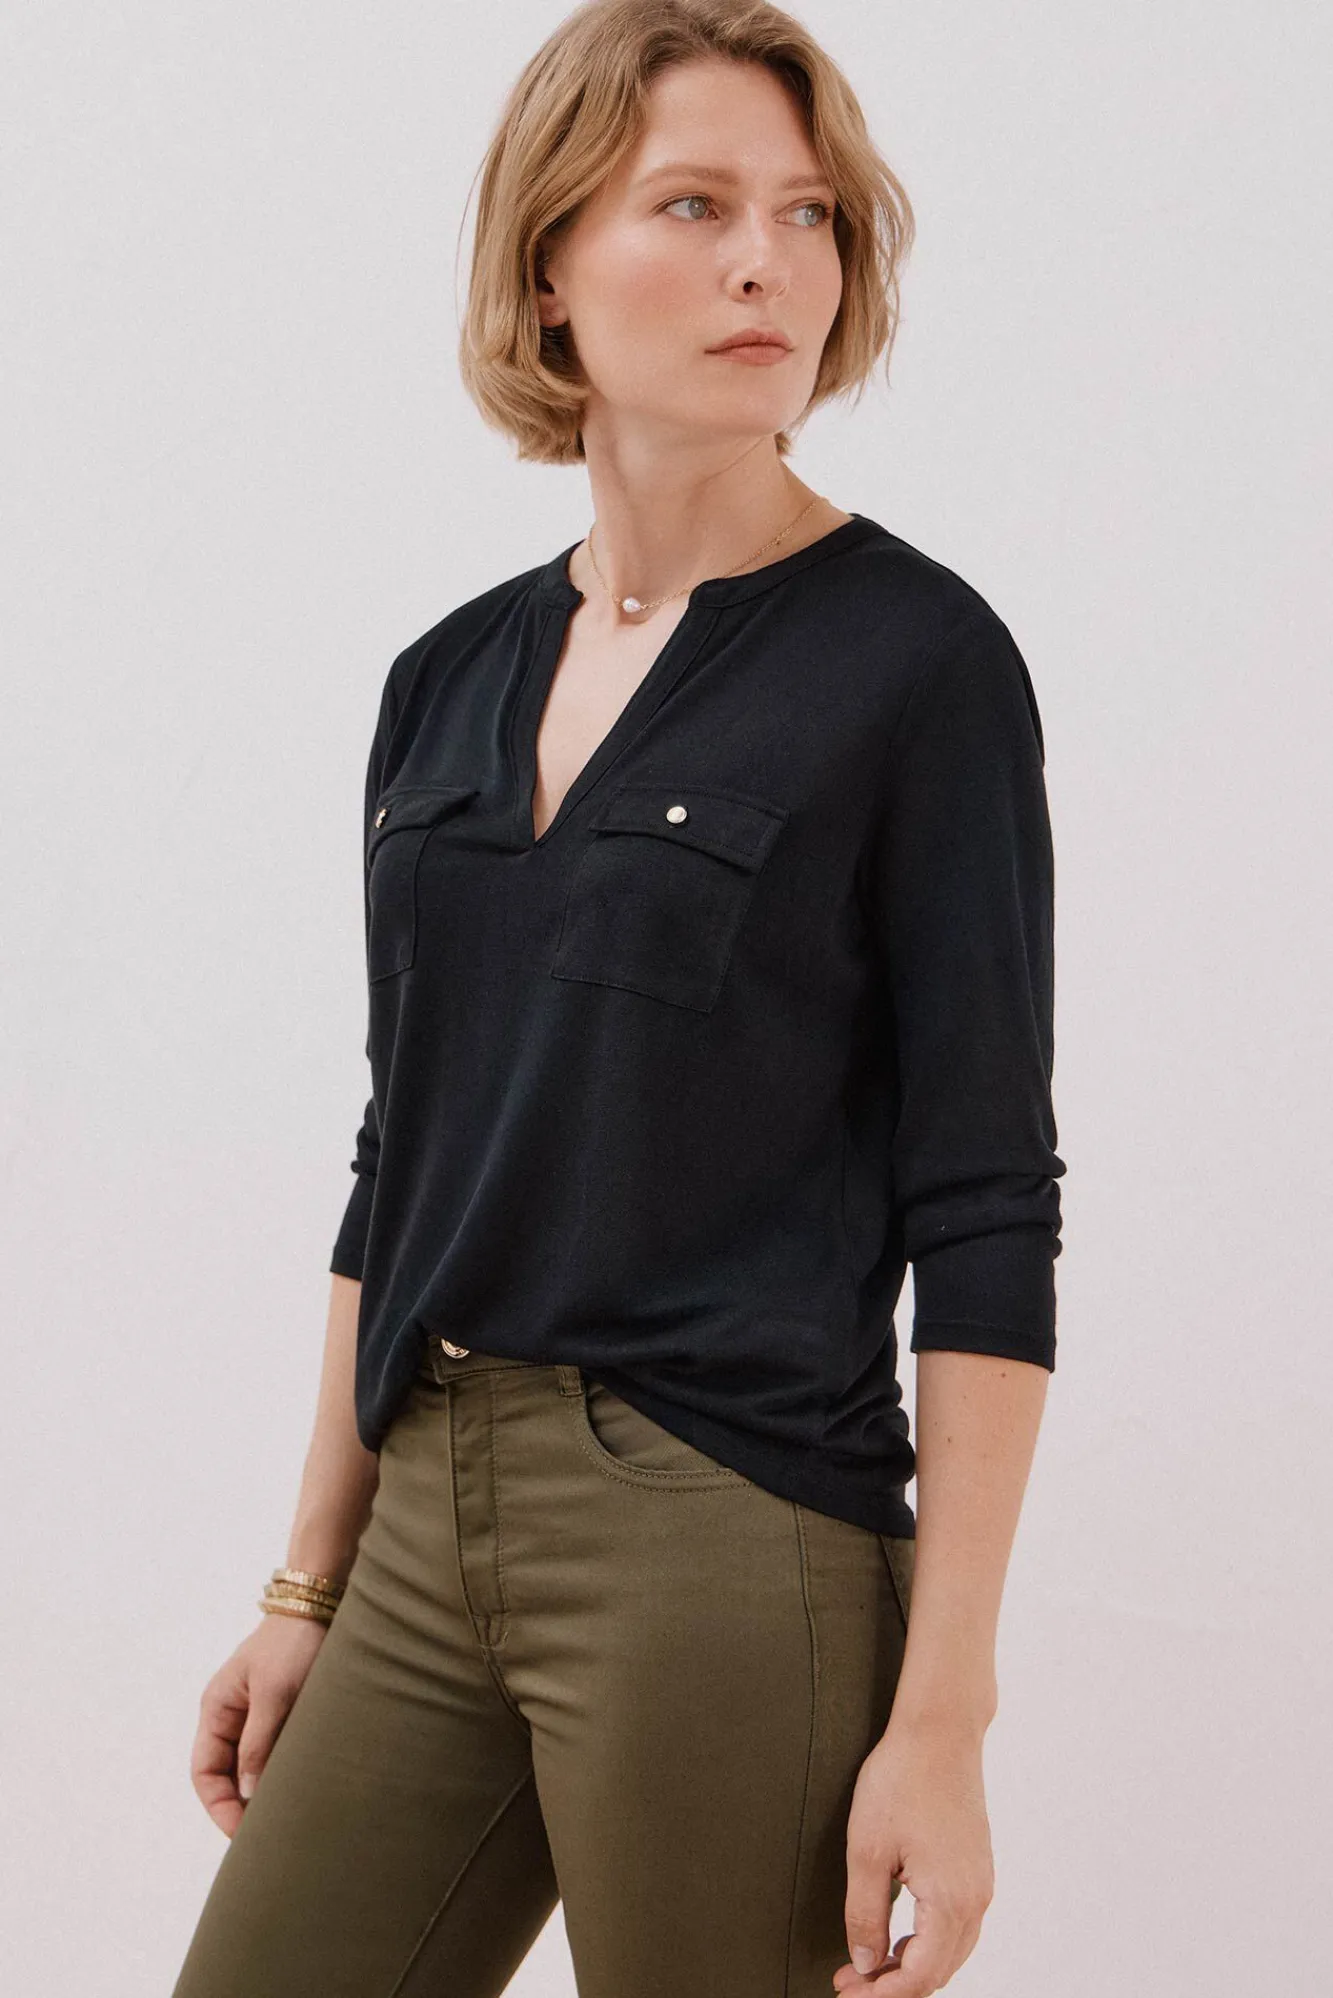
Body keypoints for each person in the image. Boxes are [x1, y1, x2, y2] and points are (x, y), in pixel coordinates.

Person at [170, 4, 1066, 1995]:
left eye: (809, 216)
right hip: (426, 1507)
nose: (770, 265)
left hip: (725, 1532)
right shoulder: (446, 680)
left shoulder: (917, 666)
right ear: (550, 266)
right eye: (696, 205)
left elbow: (990, 1204)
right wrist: (310, 1579)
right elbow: (404, 1148)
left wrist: (944, 1717)